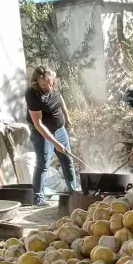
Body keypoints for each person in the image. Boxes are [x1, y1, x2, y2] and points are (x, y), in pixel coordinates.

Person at [26, 66, 78, 203]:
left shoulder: (52, 85)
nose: (48, 86)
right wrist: (56, 144)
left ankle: (73, 191)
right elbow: (38, 124)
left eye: (50, 83)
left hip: (59, 129)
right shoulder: (33, 95)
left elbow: (59, 98)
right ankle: (38, 198)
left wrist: (67, 118)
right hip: (41, 132)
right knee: (43, 164)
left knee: (67, 160)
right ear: (37, 82)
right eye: (44, 84)